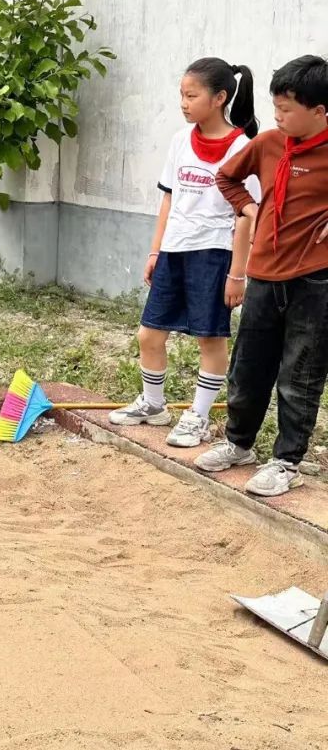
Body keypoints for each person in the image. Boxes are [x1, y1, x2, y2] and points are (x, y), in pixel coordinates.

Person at [109, 58, 260, 447]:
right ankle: (154, 405)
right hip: (174, 250)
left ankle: (198, 416)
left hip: (214, 254)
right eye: (181, 94)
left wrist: (237, 273)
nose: (183, 102)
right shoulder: (180, 140)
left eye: (191, 95)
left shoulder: (243, 148)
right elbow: (169, 199)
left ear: (220, 97)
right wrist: (155, 250)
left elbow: (248, 217)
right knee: (149, 333)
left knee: (210, 338)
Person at [196, 55, 328, 496]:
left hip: (316, 282)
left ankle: (287, 461)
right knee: (249, 367)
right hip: (264, 273)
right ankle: (238, 444)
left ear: (320, 111)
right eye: (276, 107)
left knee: (300, 374)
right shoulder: (269, 143)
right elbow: (227, 178)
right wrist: (250, 208)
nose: (278, 116)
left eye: (288, 109)